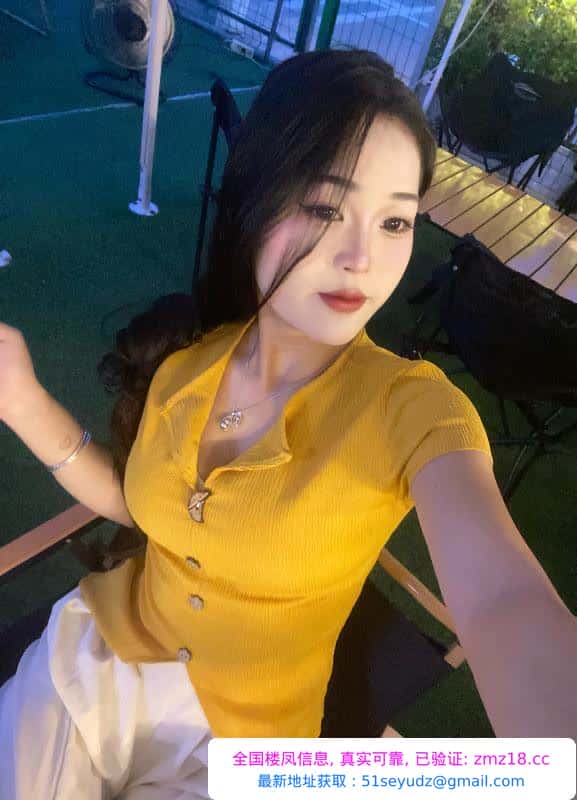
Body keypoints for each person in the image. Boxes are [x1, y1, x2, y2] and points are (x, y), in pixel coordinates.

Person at [0, 48, 576, 799]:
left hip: (249, 751)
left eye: (395, 221)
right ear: (257, 200)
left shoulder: (412, 409)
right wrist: (21, 398)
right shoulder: (189, 363)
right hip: (96, 662)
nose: (363, 258)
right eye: (325, 208)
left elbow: (504, 599)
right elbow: (140, 507)